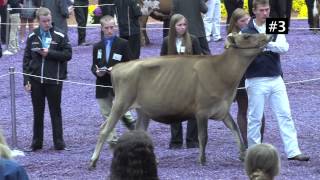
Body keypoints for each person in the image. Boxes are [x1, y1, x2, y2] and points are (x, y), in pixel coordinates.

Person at [242, 0, 309, 161]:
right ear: (254, 11)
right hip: (255, 78)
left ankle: (293, 151)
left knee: (285, 115)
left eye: (267, 9)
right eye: (262, 10)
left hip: (276, 77)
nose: (266, 13)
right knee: (254, 118)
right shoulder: (245, 30)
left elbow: (284, 47)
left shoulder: (276, 24)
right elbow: (244, 53)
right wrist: (270, 44)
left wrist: (264, 44)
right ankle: (253, 152)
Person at [22, 7, 72, 151]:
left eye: (49, 20)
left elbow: (68, 55)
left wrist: (49, 53)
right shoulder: (32, 36)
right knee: (37, 112)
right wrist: (26, 80)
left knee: (55, 112)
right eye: (44, 21)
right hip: (36, 81)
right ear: (38, 21)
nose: (47, 23)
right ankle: (36, 143)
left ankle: (59, 143)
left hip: (54, 80)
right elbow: (26, 60)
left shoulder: (60, 35)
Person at [91, 15, 135, 147]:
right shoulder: (97, 46)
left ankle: (136, 133)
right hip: (102, 85)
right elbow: (94, 65)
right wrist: (97, 72)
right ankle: (113, 142)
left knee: (124, 113)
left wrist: (116, 69)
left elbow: (131, 64)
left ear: (115, 27)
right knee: (107, 115)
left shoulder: (123, 44)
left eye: (112, 27)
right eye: (107, 28)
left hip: (119, 86)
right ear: (102, 29)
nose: (110, 31)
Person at [160, 14, 201, 149]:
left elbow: (200, 60)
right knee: (174, 111)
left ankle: (192, 140)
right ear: (173, 27)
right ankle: (176, 141)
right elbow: (162, 62)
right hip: (172, 82)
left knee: (193, 111)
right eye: (179, 25)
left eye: (184, 25)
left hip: (191, 81)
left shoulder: (193, 40)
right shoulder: (166, 41)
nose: (182, 28)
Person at [226, 8, 265, 148]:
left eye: (248, 19)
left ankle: (258, 142)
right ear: (236, 23)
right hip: (241, 77)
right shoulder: (232, 37)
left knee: (258, 110)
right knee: (243, 109)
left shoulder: (256, 31)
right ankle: (247, 143)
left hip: (256, 74)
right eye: (243, 21)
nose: (246, 22)